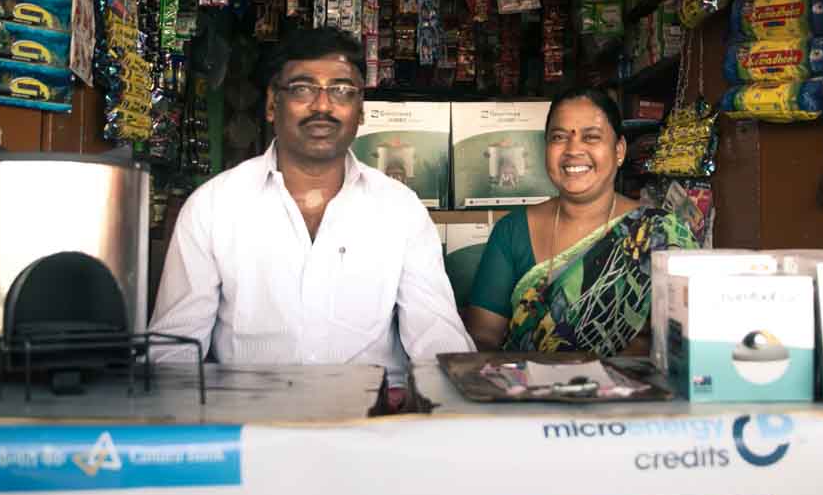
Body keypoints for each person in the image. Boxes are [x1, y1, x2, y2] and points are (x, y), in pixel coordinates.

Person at [150, 27, 473, 365]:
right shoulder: (214, 206)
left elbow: (438, 340)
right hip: (252, 397)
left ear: (360, 111)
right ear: (272, 104)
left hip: (370, 399)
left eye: (342, 90)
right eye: (302, 88)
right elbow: (172, 351)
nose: (322, 106)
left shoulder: (400, 209)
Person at [463, 87, 695, 355]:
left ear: (619, 150)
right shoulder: (512, 231)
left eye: (591, 137)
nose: (573, 150)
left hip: (628, 383)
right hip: (527, 382)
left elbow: (688, 342)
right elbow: (483, 338)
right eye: (559, 137)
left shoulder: (660, 234)